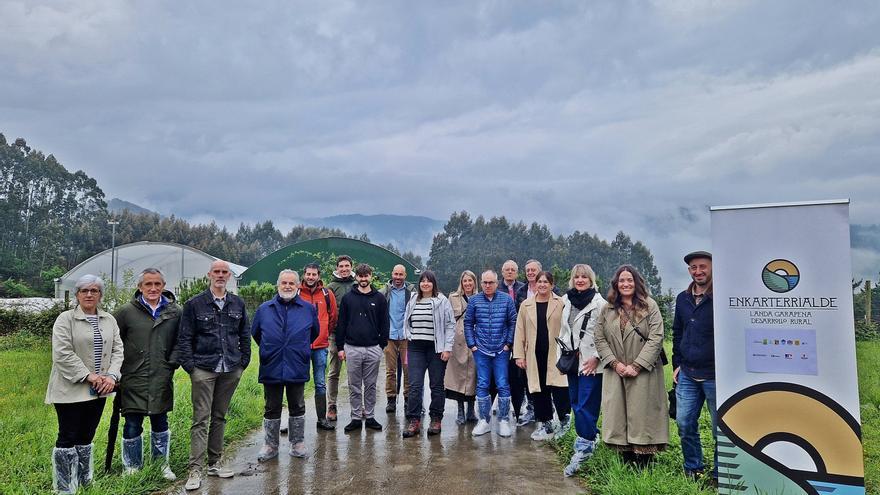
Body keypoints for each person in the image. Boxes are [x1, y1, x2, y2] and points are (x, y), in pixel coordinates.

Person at [45, 274, 123, 494]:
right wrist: (90, 376)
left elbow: (118, 350)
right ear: (77, 294)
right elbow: (62, 353)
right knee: (68, 436)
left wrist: (111, 377)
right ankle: (64, 486)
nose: (89, 294)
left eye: (94, 291)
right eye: (84, 291)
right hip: (71, 388)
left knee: (87, 435)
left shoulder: (109, 319)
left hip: (99, 389)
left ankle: (84, 480)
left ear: (100, 295)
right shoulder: (65, 319)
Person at [177, 260, 250, 491]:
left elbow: (245, 334)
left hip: (230, 368)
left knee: (220, 416)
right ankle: (195, 469)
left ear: (229, 276)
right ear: (209, 275)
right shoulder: (194, 304)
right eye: (216, 272)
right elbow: (184, 338)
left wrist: (243, 362)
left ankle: (215, 462)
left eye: (224, 272)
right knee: (201, 419)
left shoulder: (237, 303)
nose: (220, 275)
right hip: (204, 368)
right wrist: (191, 367)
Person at [594, 264, 668, 467]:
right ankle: (626, 462)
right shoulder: (607, 309)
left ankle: (645, 464)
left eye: (629, 280)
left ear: (636, 283)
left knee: (643, 417)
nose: (626, 284)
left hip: (643, 372)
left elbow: (656, 338)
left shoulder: (649, 306)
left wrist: (637, 366)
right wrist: (615, 364)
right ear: (616, 285)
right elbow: (599, 338)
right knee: (619, 415)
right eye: (621, 280)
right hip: (616, 371)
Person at [114, 268, 180, 480]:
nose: (153, 288)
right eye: (148, 284)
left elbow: (183, 340)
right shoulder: (126, 312)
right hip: (133, 377)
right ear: (139, 287)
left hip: (161, 375)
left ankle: (162, 465)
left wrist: (172, 362)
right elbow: (113, 341)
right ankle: (132, 467)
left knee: (160, 422)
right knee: (133, 422)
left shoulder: (175, 312)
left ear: (163, 286)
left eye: (157, 284)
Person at [252, 270, 320, 461]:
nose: (288, 286)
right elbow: (256, 333)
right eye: (284, 283)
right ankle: (270, 445)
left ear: (298, 286)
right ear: (278, 285)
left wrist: (296, 348)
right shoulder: (265, 309)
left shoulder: (308, 309)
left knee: (297, 404)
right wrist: (271, 348)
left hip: (296, 363)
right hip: (272, 363)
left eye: (292, 283)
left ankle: (297, 443)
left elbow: (313, 333)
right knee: (271, 406)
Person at [672, 251, 717, 483]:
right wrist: (676, 364)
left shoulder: (723, 298)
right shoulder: (682, 298)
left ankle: (721, 472)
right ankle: (693, 467)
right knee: (685, 423)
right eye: (693, 268)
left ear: (712, 268)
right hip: (688, 372)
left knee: (721, 427)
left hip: (716, 374)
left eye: (703, 267)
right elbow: (677, 331)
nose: (698, 271)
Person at [559, 264, 606, 477]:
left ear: (591, 279)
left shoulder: (600, 304)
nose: (580, 280)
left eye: (584, 277)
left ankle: (583, 450)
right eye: (576, 277)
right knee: (575, 403)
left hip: (590, 362)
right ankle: (591, 436)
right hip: (572, 361)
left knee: (586, 405)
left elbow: (606, 335)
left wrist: (597, 357)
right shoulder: (566, 300)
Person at [513, 271, 569, 442]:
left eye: (546, 282)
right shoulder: (526, 305)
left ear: (552, 285)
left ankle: (564, 422)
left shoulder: (561, 303)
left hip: (556, 353)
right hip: (534, 354)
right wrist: (519, 355)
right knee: (539, 389)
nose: (543, 285)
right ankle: (546, 424)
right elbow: (519, 330)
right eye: (540, 282)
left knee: (559, 388)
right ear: (535, 284)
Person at [401, 271, 455, 437]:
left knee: (436, 385)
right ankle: (414, 420)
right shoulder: (413, 299)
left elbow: (450, 324)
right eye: (422, 281)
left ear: (433, 283)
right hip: (415, 347)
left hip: (436, 348)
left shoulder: (442, 300)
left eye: (428, 281)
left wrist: (447, 348)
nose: (425, 284)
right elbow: (406, 320)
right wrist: (408, 335)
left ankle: (436, 419)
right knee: (414, 385)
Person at [336, 263, 389, 433]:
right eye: (360, 276)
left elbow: (384, 323)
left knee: (371, 385)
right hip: (352, 348)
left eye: (366, 276)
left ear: (370, 276)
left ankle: (371, 416)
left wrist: (381, 345)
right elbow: (341, 324)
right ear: (356, 277)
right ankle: (356, 418)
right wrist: (340, 347)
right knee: (354, 386)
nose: (363, 279)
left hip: (373, 348)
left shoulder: (379, 298)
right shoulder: (348, 298)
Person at [464, 269, 517, 437]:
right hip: (481, 350)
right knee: (482, 383)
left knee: (502, 383)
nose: (487, 285)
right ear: (481, 283)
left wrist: (509, 343)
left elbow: (512, 322)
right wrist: (472, 345)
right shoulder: (474, 301)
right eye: (485, 282)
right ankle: (484, 421)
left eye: (491, 282)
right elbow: (468, 323)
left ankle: (503, 420)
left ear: (496, 282)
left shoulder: (507, 300)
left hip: (501, 349)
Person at [298, 262, 338, 431]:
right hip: (300, 346)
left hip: (321, 346)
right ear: (304, 274)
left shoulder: (327, 294)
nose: (311, 277)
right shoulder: (297, 293)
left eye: (314, 274)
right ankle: (296, 419)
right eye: (308, 274)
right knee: (297, 382)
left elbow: (333, 317)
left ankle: (322, 419)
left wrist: (323, 334)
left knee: (320, 383)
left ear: (319, 276)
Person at [444, 270, 479, 425]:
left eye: (470, 281)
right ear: (461, 282)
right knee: (458, 376)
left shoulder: (479, 297)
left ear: (474, 282)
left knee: (473, 376)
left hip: (475, 341)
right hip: (457, 342)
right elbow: (447, 319)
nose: (467, 284)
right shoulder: (453, 297)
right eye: (465, 281)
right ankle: (460, 411)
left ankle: (471, 410)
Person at [380, 264, 414, 413]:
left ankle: (408, 400)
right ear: (392, 274)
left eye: (401, 275)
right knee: (390, 370)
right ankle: (391, 400)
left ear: (405, 276)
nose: (398, 277)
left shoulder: (411, 292)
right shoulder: (384, 292)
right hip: (390, 337)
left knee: (408, 370)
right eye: (396, 274)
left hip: (406, 337)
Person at [326, 254, 355, 422]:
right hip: (335, 335)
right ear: (337, 268)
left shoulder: (357, 284)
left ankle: (357, 406)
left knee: (354, 373)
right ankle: (331, 406)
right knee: (334, 371)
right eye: (341, 266)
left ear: (351, 267)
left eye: (347, 266)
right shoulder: (331, 287)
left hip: (353, 336)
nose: (344, 269)